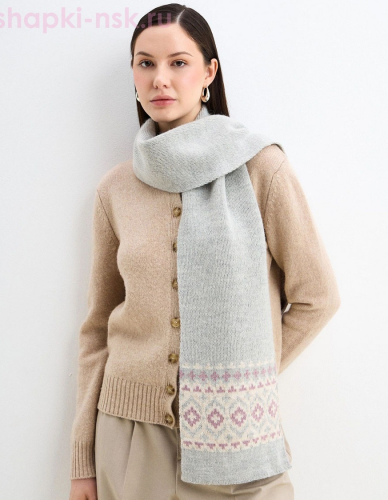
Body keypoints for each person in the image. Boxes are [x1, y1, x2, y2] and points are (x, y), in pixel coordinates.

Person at [69, 4, 341, 500]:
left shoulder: (262, 168)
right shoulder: (116, 190)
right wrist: (83, 460)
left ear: (209, 72)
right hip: (130, 439)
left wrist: (244, 377)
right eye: (145, 63)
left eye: (178, 62)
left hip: (240, 435)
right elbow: (97, 329)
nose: (160, 78)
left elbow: (317, 297)